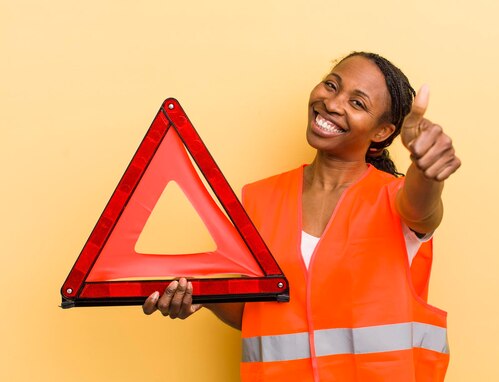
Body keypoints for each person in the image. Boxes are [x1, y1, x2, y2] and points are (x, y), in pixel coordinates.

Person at [143, 51, 461, 381]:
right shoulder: (259, 199)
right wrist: (203, 294)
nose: (333, 104)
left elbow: (424, 211)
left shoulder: (396, 198)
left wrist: (426, 170)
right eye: (331, 85)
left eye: (357, 103)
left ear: (382, 132)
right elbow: (257, 312)